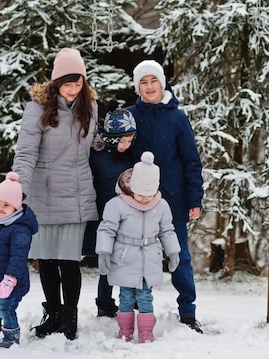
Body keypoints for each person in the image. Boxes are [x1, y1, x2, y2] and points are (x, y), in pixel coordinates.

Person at [12, 47, 98, 340]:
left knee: (70, 260)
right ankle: (54, 315)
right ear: (56, 82)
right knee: (47, 259)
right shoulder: (37, 109)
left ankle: (70, 317)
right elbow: (25, 153)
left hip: (77, 193)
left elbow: (93, 147)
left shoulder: (91, 108)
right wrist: (18, 188)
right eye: (67, 83)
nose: (73, 90)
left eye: (78, 84)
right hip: (44, 193)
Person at [127, 60, 205, 333]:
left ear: (162, 83)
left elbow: (191, 162)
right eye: (143, 82)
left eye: (153, 81)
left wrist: (194, 199)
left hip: (173, 201)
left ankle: (187, 312)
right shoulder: (129, 115)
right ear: (138, 87)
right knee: (134, 256)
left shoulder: (177, 118)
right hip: (136, 201)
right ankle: (132, 306)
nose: (149, 87)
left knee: (179, 257)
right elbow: (118, 156)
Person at [96, 152, 180, 343]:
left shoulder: (161, 206)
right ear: (132, 187)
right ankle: (125, 330)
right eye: (140, 194)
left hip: (149, 256)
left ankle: (146, 332)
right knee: (125, 296)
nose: (144, 199)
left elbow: (167, 230)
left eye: (149, 194)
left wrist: (173, 252)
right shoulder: (117, 205)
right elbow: (107, 229)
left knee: (145, 297)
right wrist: (104, 252)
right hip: (125, 256)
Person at [82, 101, 138, 317]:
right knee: (107, 261)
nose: (127, 144)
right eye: (123, 140)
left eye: (130, 140)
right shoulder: (96, 155)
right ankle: (104, 302)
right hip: (102, 216)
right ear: (112, 138)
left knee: (128, 259)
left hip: (128, 216)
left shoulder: (131, 156)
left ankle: (131, 298)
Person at [0, 171, 39, 348]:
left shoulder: (20, 230)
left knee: (6, 308)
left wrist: (10, 279)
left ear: (16, 207)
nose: (1, 208)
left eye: (6, 204)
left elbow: (18, 257)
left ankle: (11, 337)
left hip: (12, 280)